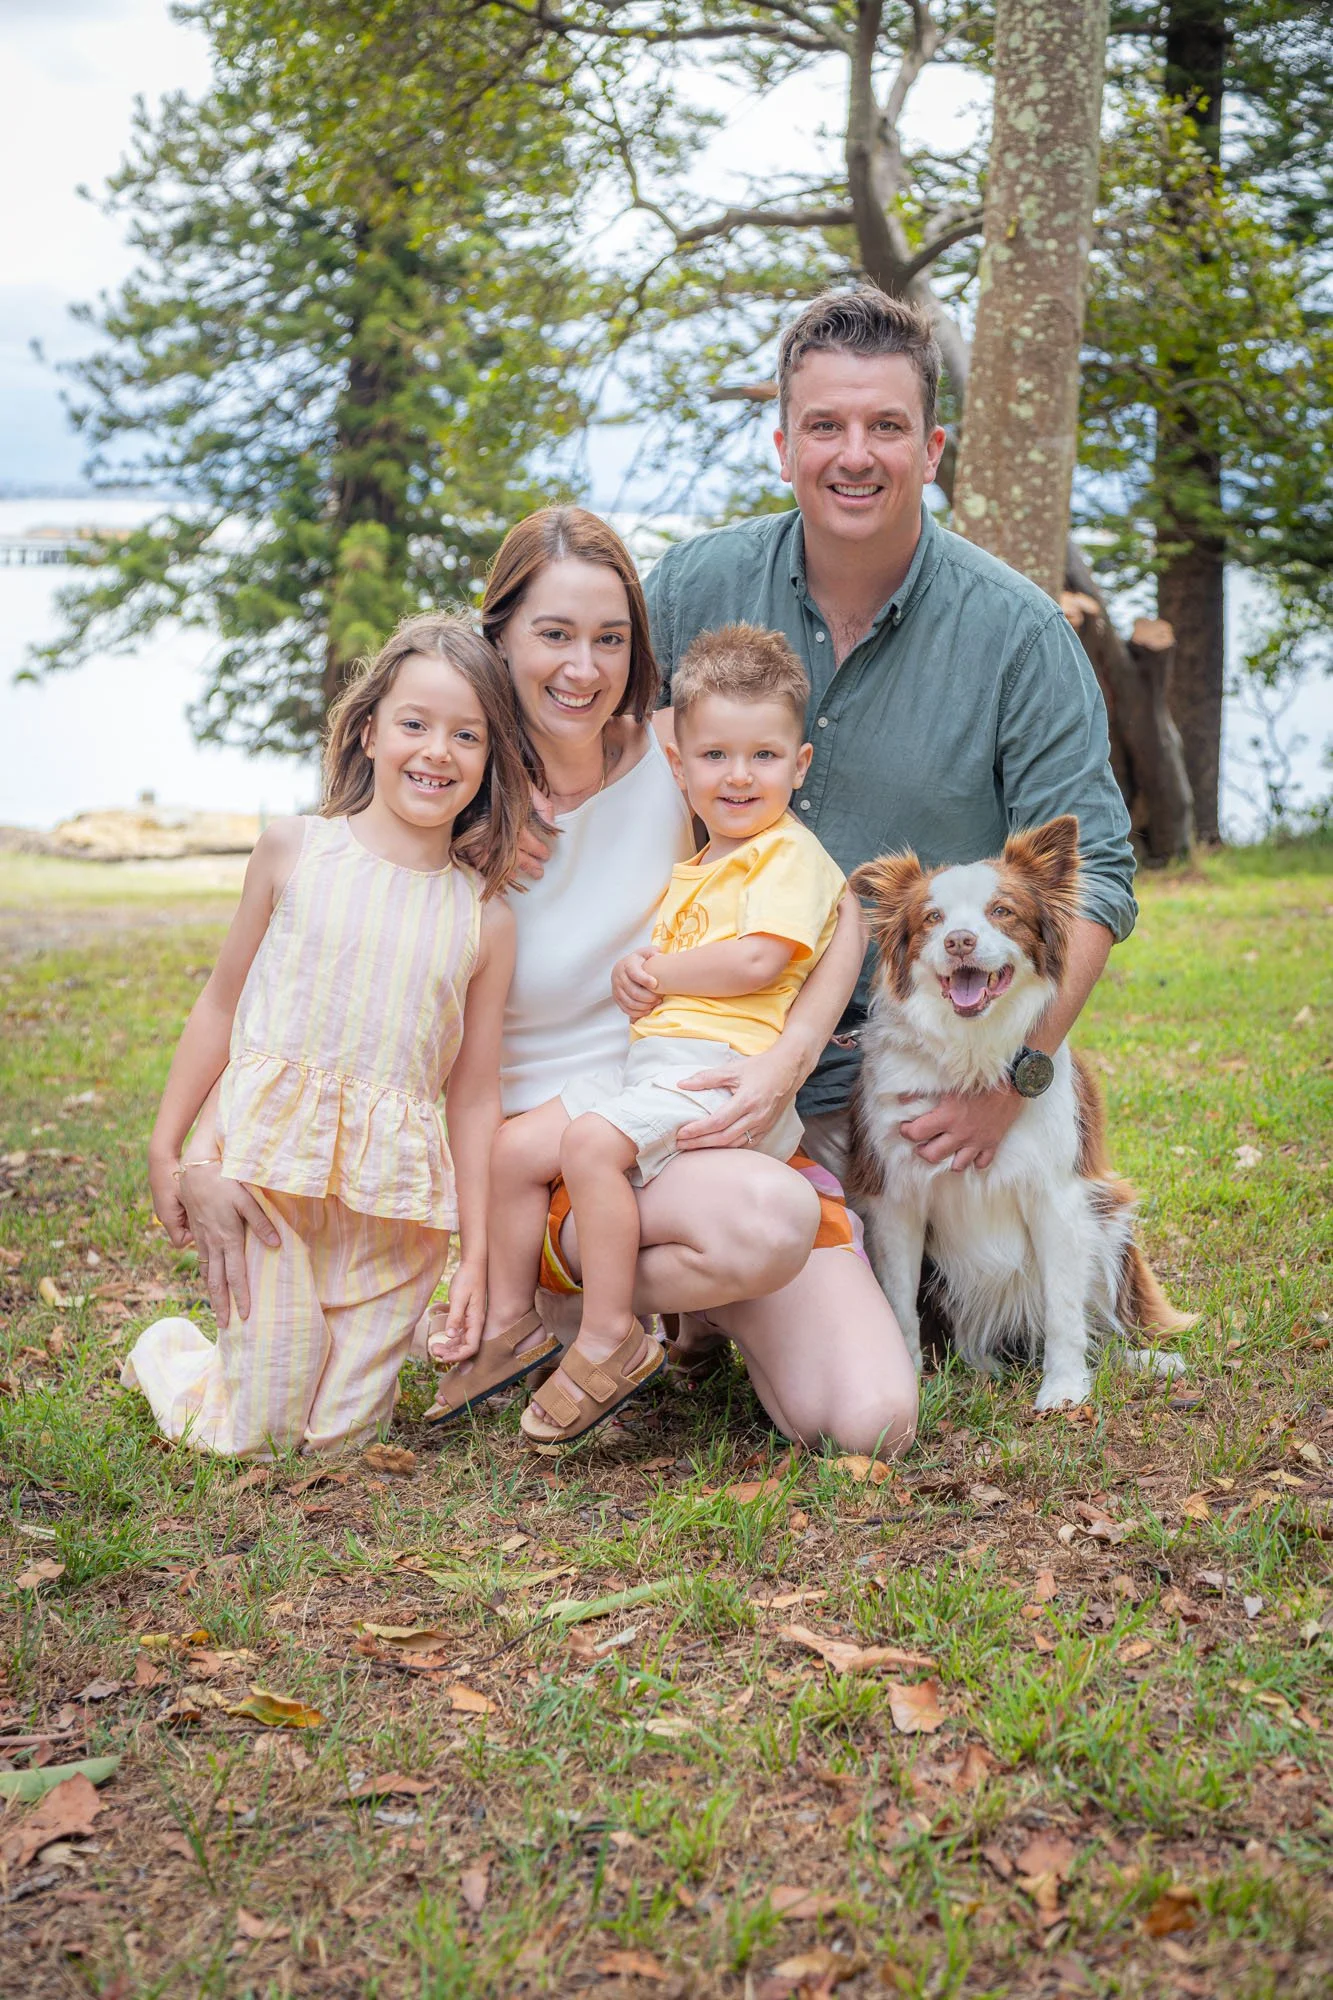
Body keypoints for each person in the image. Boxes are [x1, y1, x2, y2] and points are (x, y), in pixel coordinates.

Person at [419, 506, 919, 1453]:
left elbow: (836, 911)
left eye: (610, 639)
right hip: (569, 1161)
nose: (583, 668)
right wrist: (482, 1262)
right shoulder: (459, 802)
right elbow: (465, 1079)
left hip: (704, 1111)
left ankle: (691, 1319)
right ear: (499, 637)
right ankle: (569, 1312)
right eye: (553, 635)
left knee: (871, 1420)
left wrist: (789, 1060)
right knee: (761, 1220)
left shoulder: (683, 760)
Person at [644, 286, 1138, 1210]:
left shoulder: (1018, 636)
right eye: (824, 426)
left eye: (887, 426)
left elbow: (1098, 876)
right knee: (682, 1264)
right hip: (686, 1038)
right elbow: (564, 704)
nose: (855, 456)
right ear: (783, 446)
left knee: (857, 1343)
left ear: (931, 450)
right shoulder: (687, 586)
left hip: (900, 1074)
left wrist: (1014, 1082)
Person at [124, 615, 529, 1457]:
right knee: (264, 1437)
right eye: (415, 724)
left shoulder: (482, 918)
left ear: (491, 762)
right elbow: (220, 1006)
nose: (437, 752)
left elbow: (475, 1090)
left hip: (394, 1209)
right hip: (269, 1175)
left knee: (339, 1441)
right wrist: (170, 1149)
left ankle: (332, 1370)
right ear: (369, 727)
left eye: (468, 736)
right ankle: (165, 1353)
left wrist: (477, 1252)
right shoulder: (294, 851)